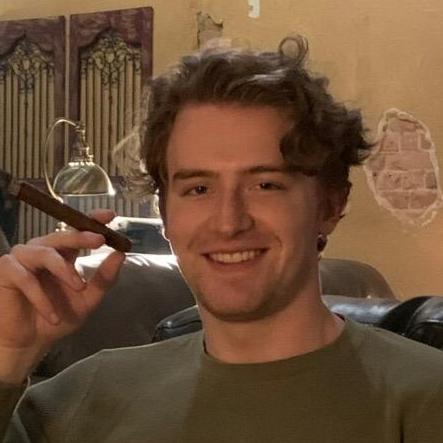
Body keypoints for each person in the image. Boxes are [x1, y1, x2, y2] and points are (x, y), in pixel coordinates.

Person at [1, 36, 442, 442]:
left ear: (329, 205)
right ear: (166, 214)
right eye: (198, 189)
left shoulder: (424, 398)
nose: (229, 223)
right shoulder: (83, 400)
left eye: (265, 185)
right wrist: (7, 356)